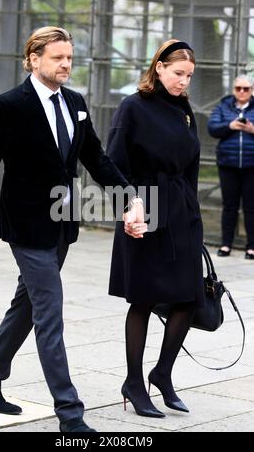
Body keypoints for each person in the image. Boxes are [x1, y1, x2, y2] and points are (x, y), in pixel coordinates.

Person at [0, 26, 142, 433]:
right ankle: (70, 414)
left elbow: (96, 157)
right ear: (33, 58)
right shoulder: (9, 105)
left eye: (70, 58)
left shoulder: (75, 103)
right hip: (24, 226)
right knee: (50, 312)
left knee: (27, 305)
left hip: (61, 224)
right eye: (57, 57)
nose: (65, 65)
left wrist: (131, 198)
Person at [106, 40, 204, 418]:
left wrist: (191, 211)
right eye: (178, 73)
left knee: (188, 298)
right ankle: (133, 381)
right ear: (159, 67)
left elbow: (192, 165)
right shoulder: (133, 106)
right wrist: (129, 209)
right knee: (144, 299)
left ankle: (162, 374)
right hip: (144, 206)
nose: (183, 82)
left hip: (181, 210)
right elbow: (113, 163)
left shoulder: (184, 109)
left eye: (189, 76)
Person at [207, 75, 254, 259]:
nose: (242, 92)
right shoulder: (223, 106)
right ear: (234, 89)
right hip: (228, 164)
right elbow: (212, 128)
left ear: (251, 90)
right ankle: (226, 244)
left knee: (251, 207)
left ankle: (251, 247)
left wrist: (251, 129)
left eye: (246, 89)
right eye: (238, 88)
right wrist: (230, 126)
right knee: (229, 206)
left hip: (252, 165)